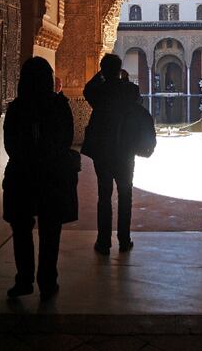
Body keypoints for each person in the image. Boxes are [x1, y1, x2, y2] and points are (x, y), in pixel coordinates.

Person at [3, 57, 78, 300]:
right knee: (49, 230)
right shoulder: (59, 106)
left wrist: (28, 159)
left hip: (22, 176)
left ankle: (24, 280)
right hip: (52, 177)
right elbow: (66, 139)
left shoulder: (17, 108)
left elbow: (10, 145)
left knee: (22, 230)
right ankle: (47, 281)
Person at [82, 53, 140, 255]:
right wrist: (123, 79)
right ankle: (124, 240)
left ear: (103, 69)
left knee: (104, 195)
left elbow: (87, 90)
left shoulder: (99, 90)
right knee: (125, 194)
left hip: (103, 150)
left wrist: (102, 74)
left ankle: (103, 242)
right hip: (125, 151)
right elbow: (136, 102)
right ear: (119, 69)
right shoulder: (130, 90)